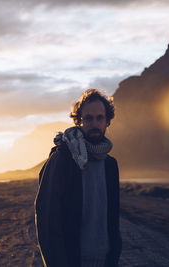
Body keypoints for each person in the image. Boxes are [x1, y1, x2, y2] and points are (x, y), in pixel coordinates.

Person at [35, 89, 122, 267]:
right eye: (88, 118)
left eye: (100, 118)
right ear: (79, 121)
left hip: (105, 261)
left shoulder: (110, 165)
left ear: (107, 121)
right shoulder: (63, 159)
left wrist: (114, 254)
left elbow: (113, 219)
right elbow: (47, 219)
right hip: (72, 260)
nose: (95, 123)